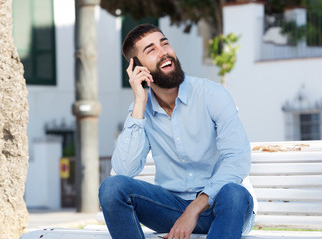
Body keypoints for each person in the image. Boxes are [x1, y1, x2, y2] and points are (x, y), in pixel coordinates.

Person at [99, 23, 257, 239]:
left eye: (165, 43)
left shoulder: (212, 95)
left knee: (234, 192)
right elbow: (124, 171)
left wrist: (193, 209)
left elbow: (237, 158)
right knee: (112, 188)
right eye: (151, 50)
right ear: (137, 68)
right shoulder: (141, 109)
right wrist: (139, 101)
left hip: (223, 207)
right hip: (171, 210)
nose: (164, 52)